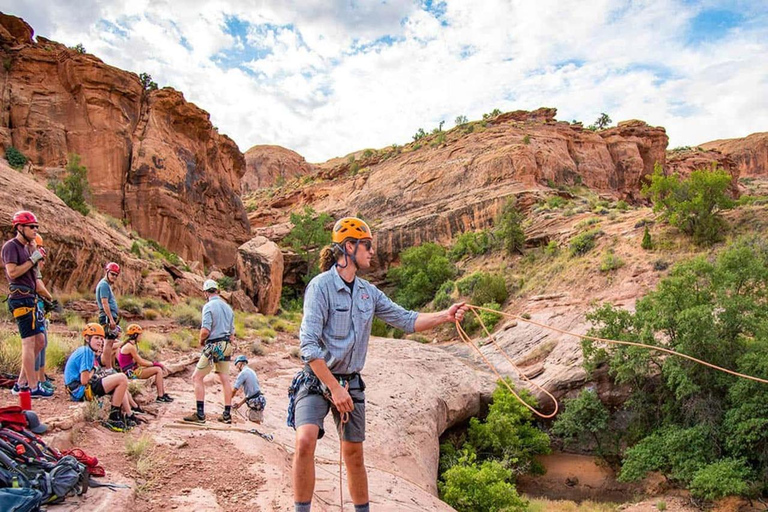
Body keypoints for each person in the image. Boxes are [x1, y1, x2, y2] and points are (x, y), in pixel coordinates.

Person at [288, 217, 468, 512]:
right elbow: (308, 347)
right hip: (317, 380)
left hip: (351, 382)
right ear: (349, 247)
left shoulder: (368, 293)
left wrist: (444, 316)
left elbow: (406, 320)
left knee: (354, 455)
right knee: (305, 440)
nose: (372, 252)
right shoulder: (320, 287)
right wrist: (334, 388)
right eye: (367, 246)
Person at [1, 211, 53, 398]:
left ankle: (21, 382)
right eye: (32, 227)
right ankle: (31, 386)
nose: (35, 230)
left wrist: (34, 254)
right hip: (20, 298)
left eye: (36, 227)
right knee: (28, 342)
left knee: (40, 340)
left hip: (30, 298)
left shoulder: (27, 248)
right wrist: (32, 260)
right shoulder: (11, 247)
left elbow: (34, 276)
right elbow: (13, 273)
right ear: (19, 227)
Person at [63, 323, 137, 432]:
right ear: (87, 338)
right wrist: (95, 372)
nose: (100, 341)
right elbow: (84, 380)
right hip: (80, 390)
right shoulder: (86, 352)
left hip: (78, 389)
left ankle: (128, 414)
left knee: (118, 380)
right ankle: (113, 418)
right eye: (96, 338)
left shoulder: (87, 351)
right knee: (121, 378)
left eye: (102, 339)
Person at [183, 279, 234, 424]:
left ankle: (200, 414)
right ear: (217, 291)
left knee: (197, 377)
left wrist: (201, 341)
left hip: (214, 345)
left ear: (205, 292)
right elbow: (232, 334)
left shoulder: (208, 306)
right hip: (226, 344)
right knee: (225, 379)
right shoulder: (228, 308)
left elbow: (205, 330)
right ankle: (226, 414)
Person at [117, 324, 173, 403]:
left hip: (131, 370)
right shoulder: (130, 347)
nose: (141, 337)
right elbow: (141, 361)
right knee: (158, 370)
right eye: (140, 335)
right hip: (131, 373)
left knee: (157, 369)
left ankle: (162, 394)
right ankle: (160, 396)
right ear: (135, 335)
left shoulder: (130, 345)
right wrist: (156, 364)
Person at [32, 234, 55, 393]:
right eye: (42, 259)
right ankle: (35, 381)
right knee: (37, 344)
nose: (43, 263)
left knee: (42, 343)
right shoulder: (31, 261)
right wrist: (49, 297)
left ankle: (40, 378)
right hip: (33, 307)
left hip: (38, 307)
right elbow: (38, 286)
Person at [96, 262, 121, 368]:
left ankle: (109, 367)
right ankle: (107, 368)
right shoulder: (104, 285)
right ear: (107, 272)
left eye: (116, 275)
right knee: (108, 343)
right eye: (112, 274)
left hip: (109, 316)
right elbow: (104, 303)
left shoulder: (106, 285)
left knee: (110, 343)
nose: (114, 277)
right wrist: (111, 319)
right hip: (106, 317)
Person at [231, 355, 266, 423]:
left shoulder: (243, 373)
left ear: (240, 363)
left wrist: (228, 400)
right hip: (259, 400)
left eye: (237, 365)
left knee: (255, 423)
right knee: (258, 421)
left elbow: (235, 389)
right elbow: (252, 393)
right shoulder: (251, 371)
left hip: (255, 402)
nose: (237, 367)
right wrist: (240, 404)